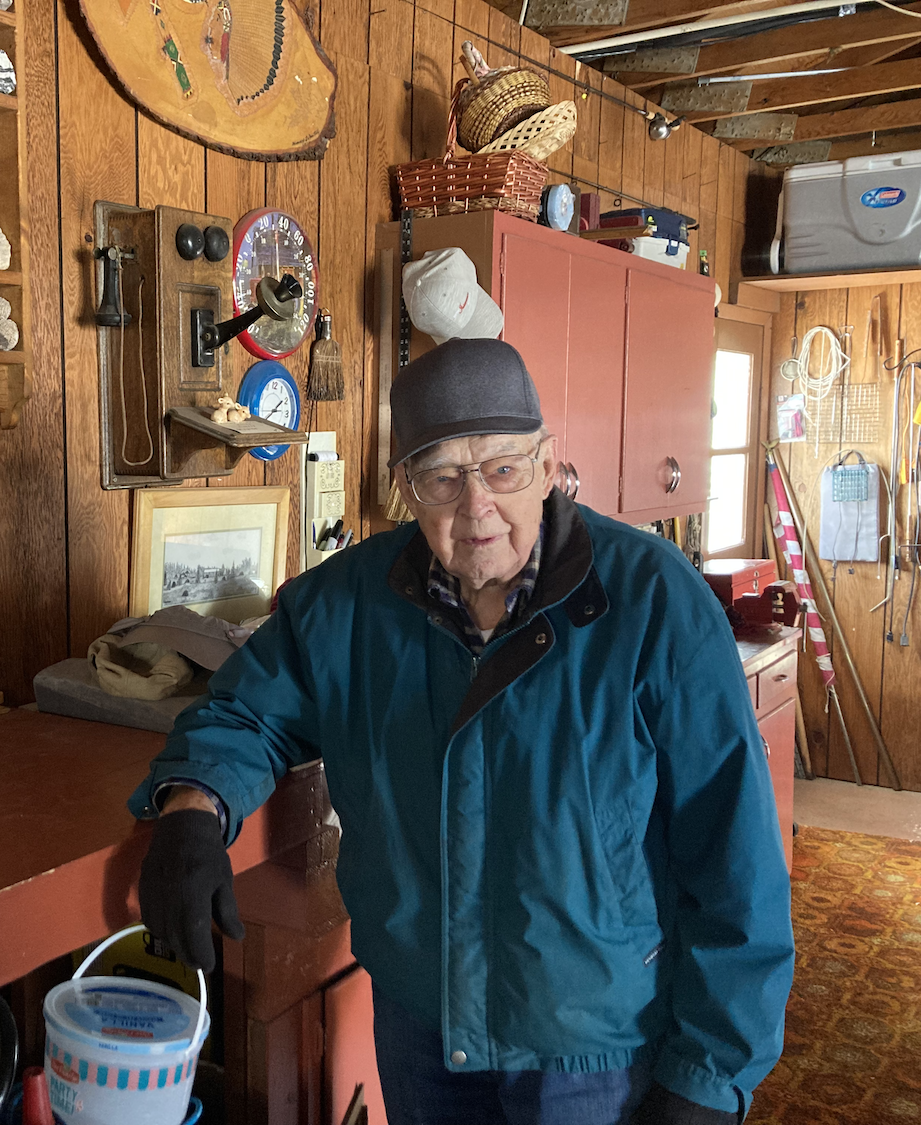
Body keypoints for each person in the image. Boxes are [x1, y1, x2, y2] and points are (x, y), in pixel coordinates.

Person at [129, 338, 794, 1125]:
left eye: (503, 470)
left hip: (597, 1053)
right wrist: (192, 806)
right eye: (443, 476)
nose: (476, 507)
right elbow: (245, 710)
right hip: (423, 1035)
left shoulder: (656, 606)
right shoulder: (345, 608)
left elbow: (737, 862)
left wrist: (708, 1080)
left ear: (548, 466)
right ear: (406, 487)